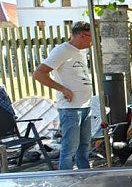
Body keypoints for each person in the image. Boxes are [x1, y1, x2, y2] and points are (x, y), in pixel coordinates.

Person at [33, 21, 94, 170]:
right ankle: (65, 179)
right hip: (71, 108)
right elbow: (39, 74)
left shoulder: (80, 51)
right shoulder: (62, 51)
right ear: (81, 35)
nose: (93, 41)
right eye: (91, 36)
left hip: (85, 105)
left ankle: (85, 175)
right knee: (69, 148)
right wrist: (63, 89)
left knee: (84, 146)